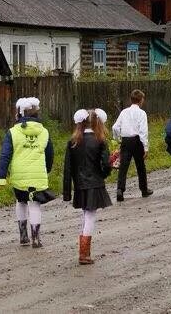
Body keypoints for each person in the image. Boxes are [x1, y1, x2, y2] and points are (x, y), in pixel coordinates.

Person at [0, 97, 55, 248]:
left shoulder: (13, 132)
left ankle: (23, 236)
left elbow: (5, 155)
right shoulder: (44, 132)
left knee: (21, 201)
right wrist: (47, 169)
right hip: (37, 174)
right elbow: (49, 154)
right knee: (35, 204)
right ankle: (36, 238)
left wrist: (1, 177)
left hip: (19, 176)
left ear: (19, 114)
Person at [63, 108, 112, 265]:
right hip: (95, 183)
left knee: (85, 215)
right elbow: (105, 165)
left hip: (79, 185)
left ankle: (84, 252)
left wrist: (66, 192)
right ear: (98, 122)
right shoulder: (100, 141)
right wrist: (107, 171)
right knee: (89, 216)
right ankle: (84, 254)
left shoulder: (73, 141)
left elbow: (67, 168)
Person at [113, 89, 153, 201]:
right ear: (141, 100)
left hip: (125, 141)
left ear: (131, 99)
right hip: (137, 141)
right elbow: (143, 131)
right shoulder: (142, 113)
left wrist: (118, 139)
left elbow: (115, 127)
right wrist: (145, 147)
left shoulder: (124, 112)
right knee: (140, 166)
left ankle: (120, 190)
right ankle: (144, 190)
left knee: (123, 167)